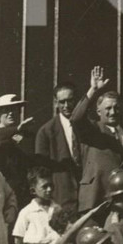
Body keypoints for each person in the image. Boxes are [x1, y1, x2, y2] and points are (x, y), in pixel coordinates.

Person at [72, 69, 123, 211]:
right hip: (95, 199)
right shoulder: (92, 130)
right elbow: (76, 118)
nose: (113, 112)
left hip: (119, 201)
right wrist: (93, 90)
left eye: (116, 108)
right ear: (98, 111)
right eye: (108, 108)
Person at [35, 82, 83, 214]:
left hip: (86, 197)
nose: (66, 106)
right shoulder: (46, 132)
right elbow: (42, 172)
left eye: (70, 101)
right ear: (56, 103)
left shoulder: (86, 127)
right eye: (62, 102)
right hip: (61, 198)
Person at [0, 93, 32, 211]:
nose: (11, 113)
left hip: (23, 191)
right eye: (6, 110)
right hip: (1, 191)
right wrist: (17, 129)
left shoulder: (24, 134)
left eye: (14, 109)